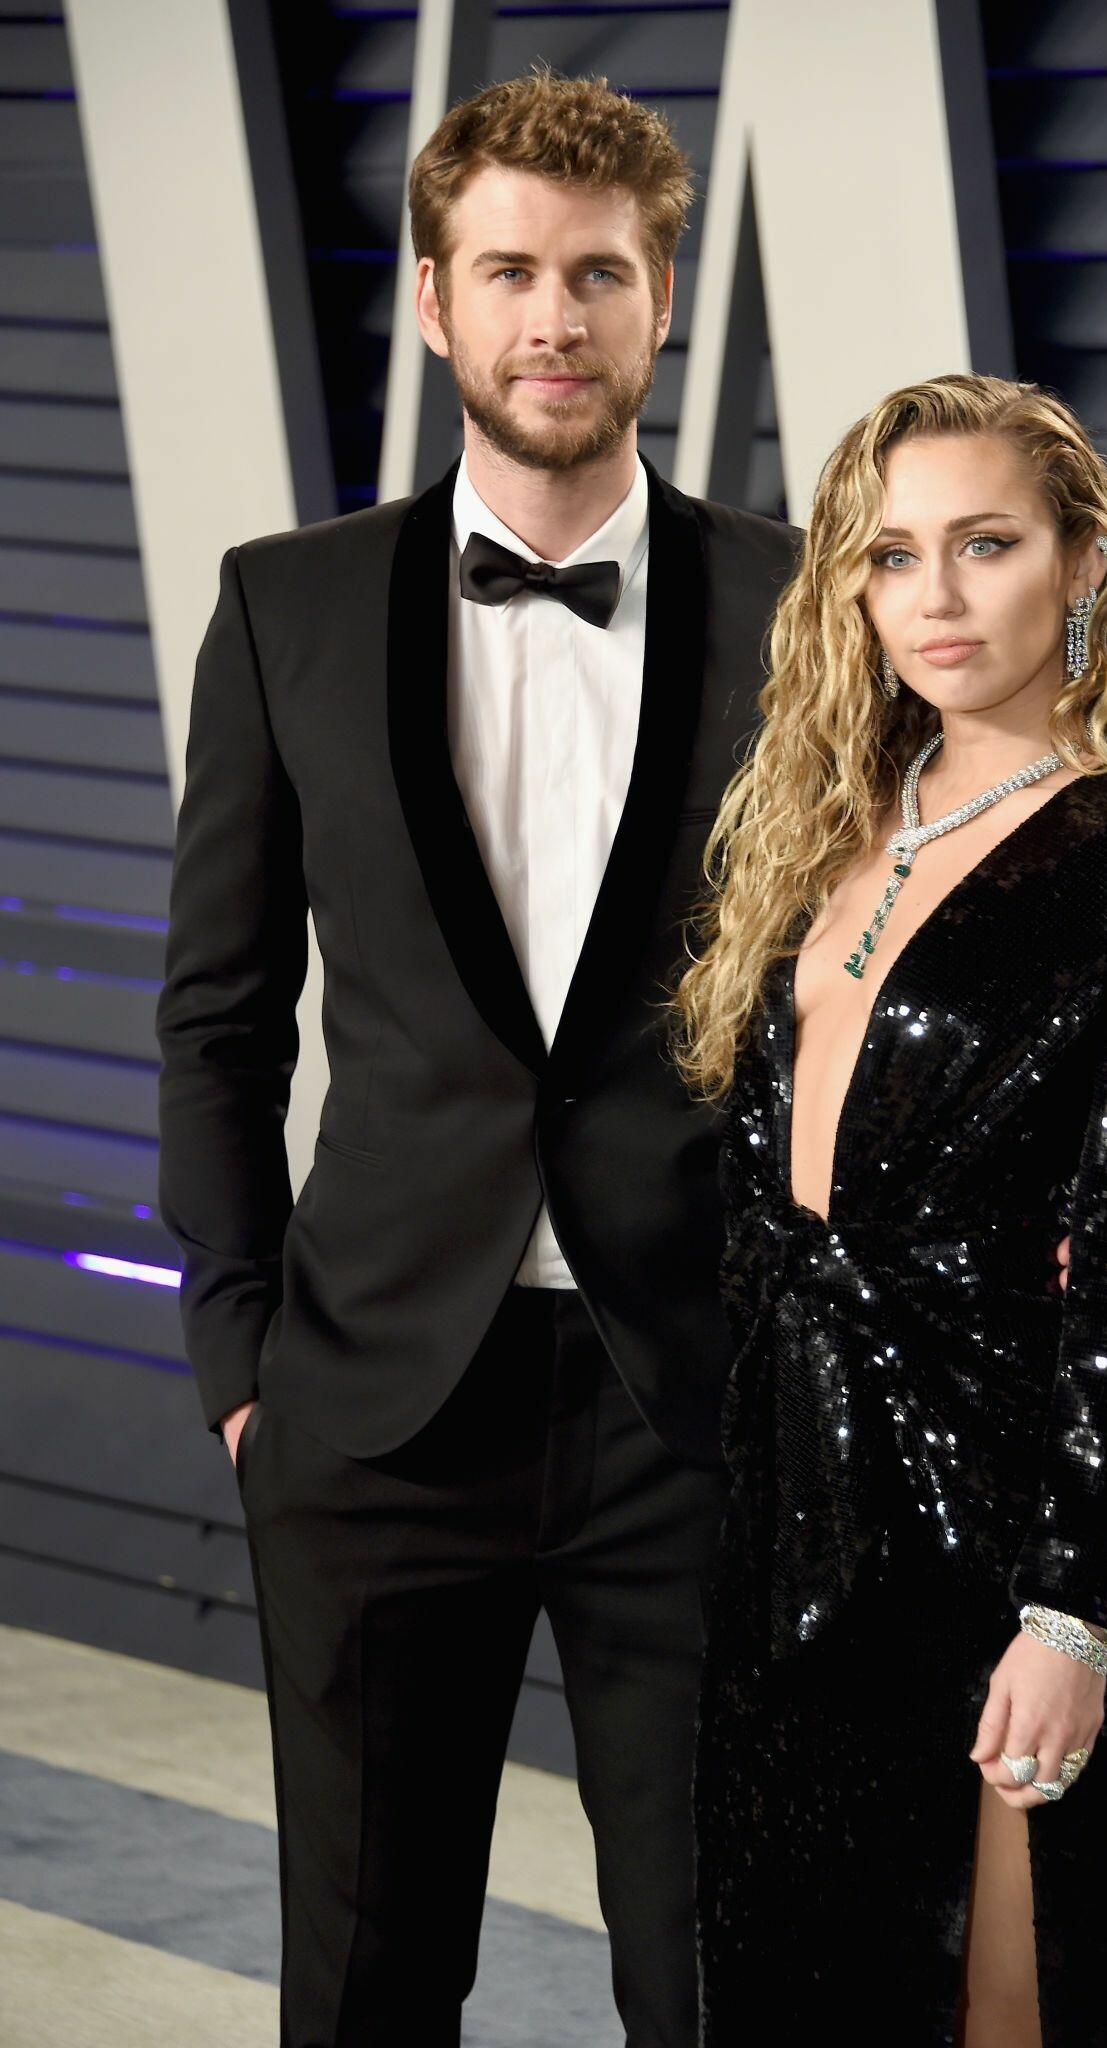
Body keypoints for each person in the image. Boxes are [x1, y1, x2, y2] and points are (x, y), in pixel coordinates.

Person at [154, 68, 803, 2047]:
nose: (555, 319)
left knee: (725, 1981)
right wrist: (241, 1363)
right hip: (368, 1411)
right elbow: (218, 1012)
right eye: (508, 272)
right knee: (365, 1985)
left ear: (661, 300)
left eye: (598, 274)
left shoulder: (805, 610)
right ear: (435, 301)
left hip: (696, 1407)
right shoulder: (284, 603)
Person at [672, 373, 1107, 2047]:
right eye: (892, 555)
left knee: (999, 1998)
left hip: (989, 1517)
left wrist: (1074, 1616)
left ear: (1082, 565)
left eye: (986, 544)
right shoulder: (822, 822)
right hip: (788, 1519)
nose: (934, 596)